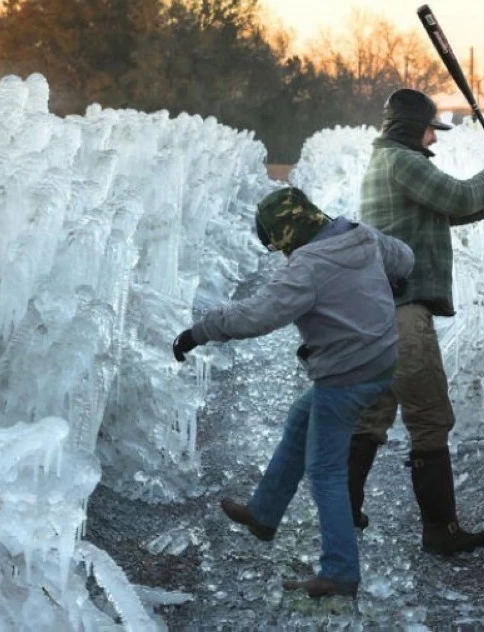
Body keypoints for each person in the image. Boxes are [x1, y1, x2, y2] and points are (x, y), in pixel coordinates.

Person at [172, 186, 414, 598]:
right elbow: (404, 257)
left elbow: (257, 315)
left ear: (286, 233)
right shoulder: (359, 234)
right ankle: (263, 513)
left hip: (347, 373)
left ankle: (340, 572)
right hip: (380, 359)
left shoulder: (308, 266)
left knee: (325, 471)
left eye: (276, 244)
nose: (280, 254)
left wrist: (199, 332)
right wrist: (394, 280)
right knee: (301, 418)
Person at [348, 88, 484, 556]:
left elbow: (441, 214)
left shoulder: (390, 162)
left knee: (372, 415)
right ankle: (440, 530)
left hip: (380, 309)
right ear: (412, 128)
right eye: (431, 129)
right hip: (403, 313)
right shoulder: (403, 161)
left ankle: (341, 509)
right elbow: (457, 196)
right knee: (429, 417)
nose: (434, 138)